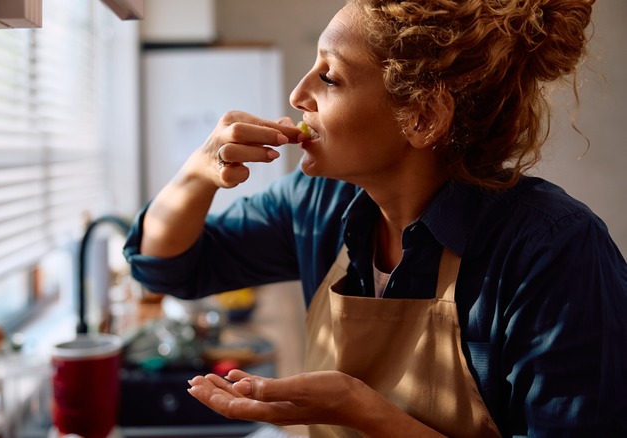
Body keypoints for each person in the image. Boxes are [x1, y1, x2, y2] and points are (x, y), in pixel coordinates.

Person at [123, 0, 627, 436]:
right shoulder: (319, 202)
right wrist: (197, 174)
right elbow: (169, 266)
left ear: (423, 117)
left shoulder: (555, 252)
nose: (298, 97)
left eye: (329, 76)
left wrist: (361, 410)